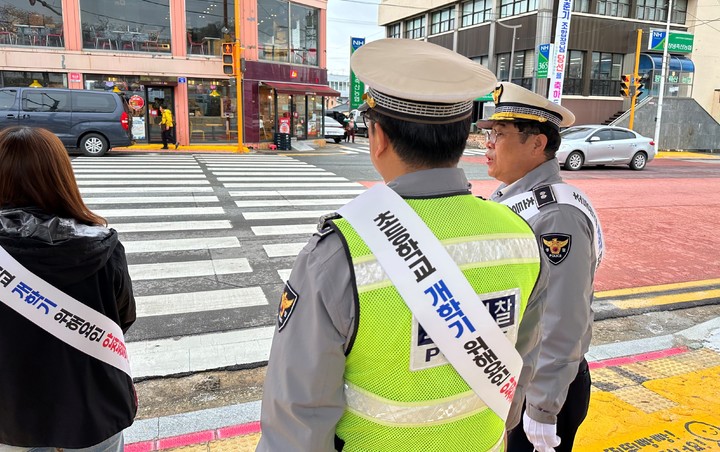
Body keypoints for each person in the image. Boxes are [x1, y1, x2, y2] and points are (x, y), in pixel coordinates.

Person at [257, 39, 549, 452]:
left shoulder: (340, 252)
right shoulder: (520, 235)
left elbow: (297, 417)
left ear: (378, 139)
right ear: (463, 136)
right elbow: (520, 369)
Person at [477, 83, 604, 452]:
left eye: (499, 134)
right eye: (489, 134)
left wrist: (544, 408)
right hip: (518, 377)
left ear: (536, 144)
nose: (488, 144)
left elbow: (563, 318)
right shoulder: (516, 196)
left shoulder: (555, 216)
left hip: (544, 388)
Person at [0, 127, 137, 452]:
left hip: (11, 420)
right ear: (61, 176)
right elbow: (122, 319)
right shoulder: (101, 246)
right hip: (93, 412)